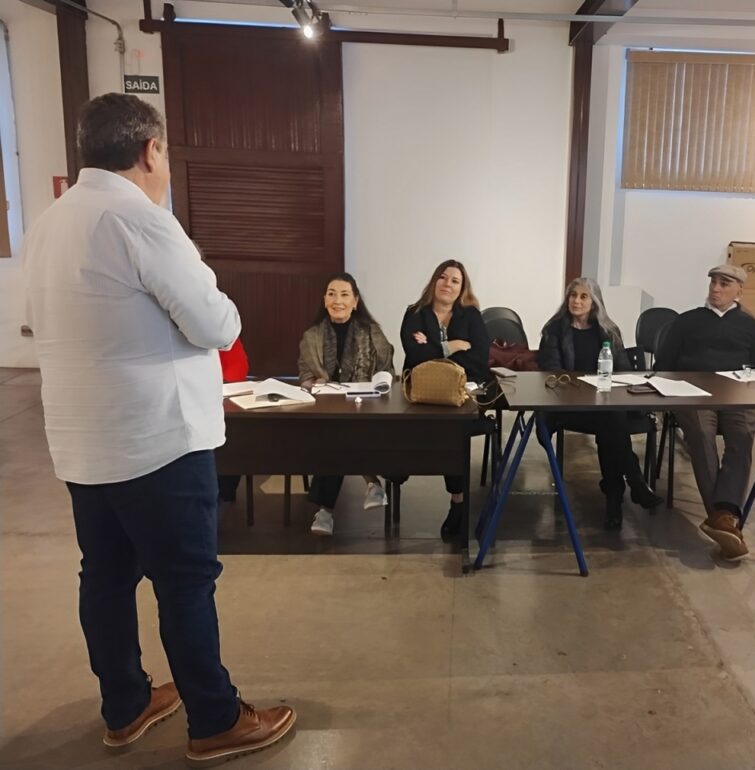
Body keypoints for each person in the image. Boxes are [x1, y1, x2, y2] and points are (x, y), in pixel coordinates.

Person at [22, 93, 294, 764]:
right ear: (151, 150)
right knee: (184, 581)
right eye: (166, 152)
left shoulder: (51, 222)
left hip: (84, 443)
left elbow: (36, 325)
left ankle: (125, 705)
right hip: (158, 442)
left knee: (106, 577)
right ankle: (215, 718)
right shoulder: (140, 219)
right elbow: (217, 324)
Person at [654, 265, 755, 560]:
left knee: (742, 434)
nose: (716, 288)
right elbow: (664, 363)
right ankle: (725, 518)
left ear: (739, 291)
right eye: (714, 282)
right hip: (692, 392)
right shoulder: (687, 321)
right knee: (702, 433)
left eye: (724, 283)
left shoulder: (749, 325)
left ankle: (722, 516)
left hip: (736, 392)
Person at [537, 277, 662, 529]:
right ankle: (631, 486)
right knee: (612, 423)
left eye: (584, 297)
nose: (577, 301)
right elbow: (552, 373)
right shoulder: (554, 329)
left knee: (610, 423)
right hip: (568, 406)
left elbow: (624, 372)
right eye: (573, 295)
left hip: (602, 405)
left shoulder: (608, 330)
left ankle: (615, 497)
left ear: (594, 302)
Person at [299, 273, 395, 536]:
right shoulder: (311, 336)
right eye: (331, 294)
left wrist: (380, 383)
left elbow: (387, 369)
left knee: (339, 436)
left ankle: (325, 512)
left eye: (344, 294)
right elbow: (304, 376)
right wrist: (312, 383)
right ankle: (372, 481)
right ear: (324, 300)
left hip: (366, 409)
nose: (337, 300)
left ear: (355, 302)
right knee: (336, 433)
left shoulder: (372, 333)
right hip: (326, 411)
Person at [400, 259, 490, 539]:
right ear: (434, 281)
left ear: (462, 287)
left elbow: (478, 360)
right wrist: (451, 346)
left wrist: (431, 350)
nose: (447, 284)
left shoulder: (471, 316)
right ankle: (397, 471)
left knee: (454, 429)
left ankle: (458, 504)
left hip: (461, 395)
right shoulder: (415, 313)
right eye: (443, 277)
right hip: (421, 395)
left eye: (455, 280)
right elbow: (413, 356)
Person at [217, 337, 249, 503]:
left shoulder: (225, 333)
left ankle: (224, 494)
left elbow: (238, 369)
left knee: (234, 432)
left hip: (227, 395)